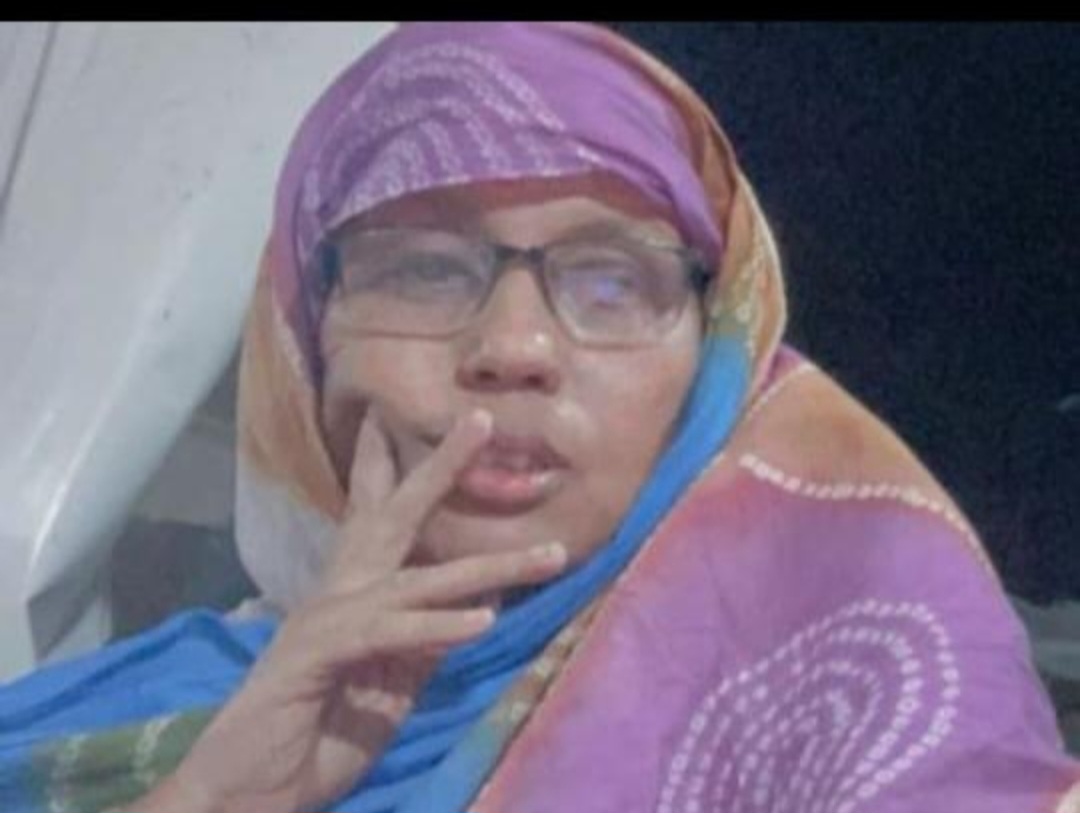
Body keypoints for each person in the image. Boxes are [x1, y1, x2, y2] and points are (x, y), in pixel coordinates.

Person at [2, 22, 1077, 813]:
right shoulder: (142, 716)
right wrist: (217, 794)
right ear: (301, 340)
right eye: (425, 269)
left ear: (716, 350)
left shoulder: (876, 692)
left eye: (610, 282)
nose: (514, 348)